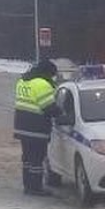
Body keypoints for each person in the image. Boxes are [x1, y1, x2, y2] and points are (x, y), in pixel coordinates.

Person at [14, 58, 61, 196]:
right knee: (37, 159)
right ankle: (36, 188)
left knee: (27, 158)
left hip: (22, 126)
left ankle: (28, 186)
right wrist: (61, 113)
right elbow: (48, 107)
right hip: (36, 128)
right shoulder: (42, 84)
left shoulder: (23, 81)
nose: (52, 77)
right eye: (52, 74)